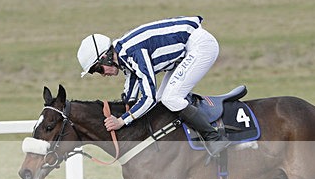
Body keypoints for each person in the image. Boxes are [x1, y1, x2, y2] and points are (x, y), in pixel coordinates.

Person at [77, 16, 231, 157]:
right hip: (185, 51)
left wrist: (122, 121)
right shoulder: (123, 54)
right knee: (161, 99)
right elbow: (130, 94)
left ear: (106, 57)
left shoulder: (133, 53)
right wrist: (122, 113)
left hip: (200, 46)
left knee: (171, 98)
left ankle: (214, 138)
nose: (102, 75)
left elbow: (147, 98)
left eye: (98, 69)